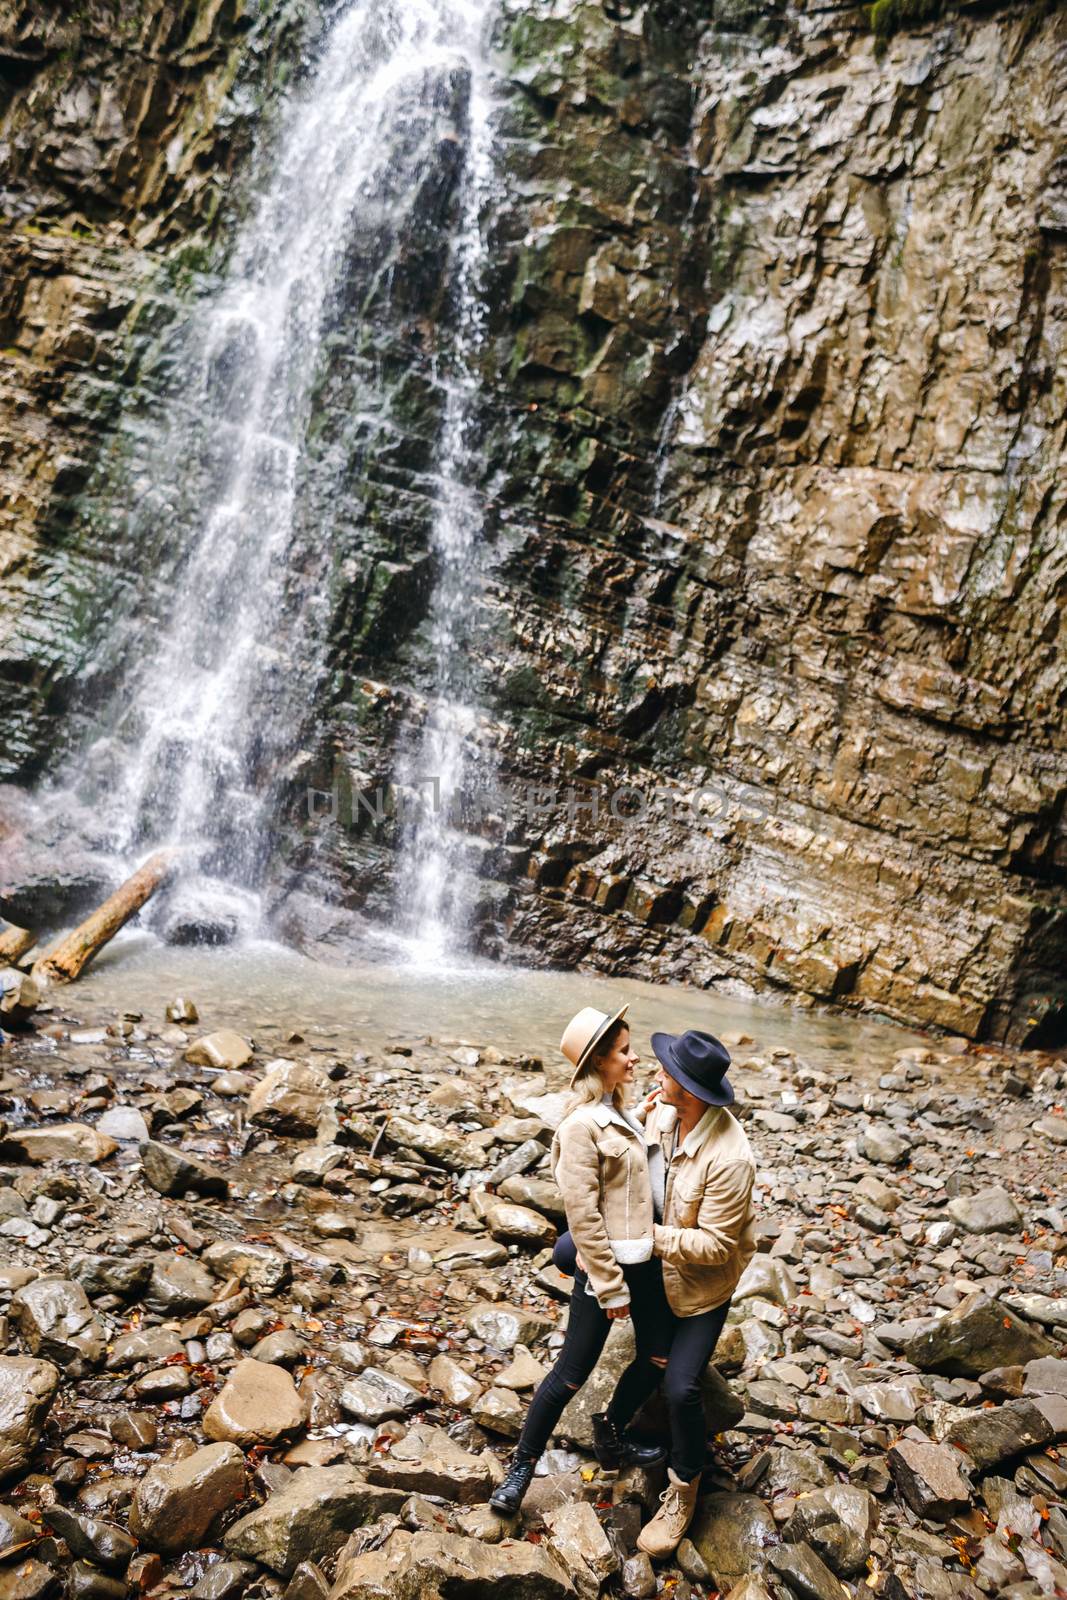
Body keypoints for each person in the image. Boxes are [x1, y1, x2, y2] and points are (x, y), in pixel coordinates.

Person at [490, 1003, 670, 1515]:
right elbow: (584, 1215)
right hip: (606, 1267)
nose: (634, 1059)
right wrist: (610, 1287)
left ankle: (611, 1432)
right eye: (624, 1052)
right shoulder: (579, 1127)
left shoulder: (619, 1113)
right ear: (598, 1064)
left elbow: (630, 1171)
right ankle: (522, 1467)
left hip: (646, 1259)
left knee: (658, 1356)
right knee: (570, 1374)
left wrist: (647, 1113)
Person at [631, 1028, 757, 1558]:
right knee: (574, 1255)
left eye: (667, 1073)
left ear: (693, 1090)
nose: (658, 1076)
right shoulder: (663, 1111)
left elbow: (715, 1247)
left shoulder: (731, 1157)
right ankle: (623, 1426)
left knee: (682, 1387)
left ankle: (684, 1488)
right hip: (657, 1266)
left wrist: (642, 1236)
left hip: (702, 1286)